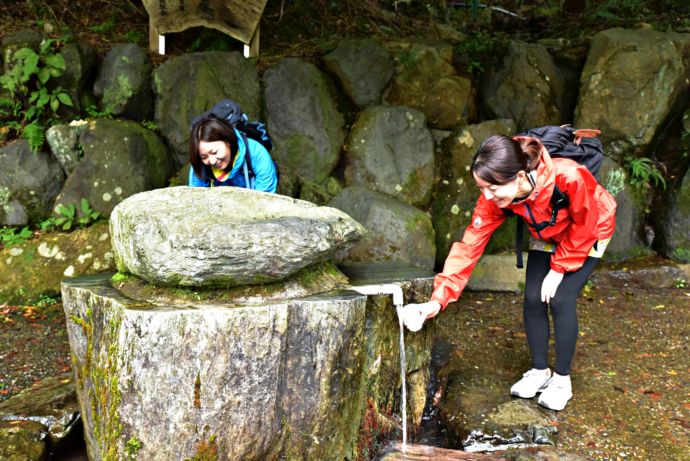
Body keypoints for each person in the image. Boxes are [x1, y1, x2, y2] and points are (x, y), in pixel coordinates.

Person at [400, 132, 617, 411]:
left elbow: (585, 221)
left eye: (492, 188)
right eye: (481, 188)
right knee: (532, 298)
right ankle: (540, 372)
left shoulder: (569, 177)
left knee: (560, 298)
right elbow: (469, 246)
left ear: (519, 176)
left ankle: (562, 380)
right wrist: (436, 301)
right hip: (548, 229)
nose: (487, 196)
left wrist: (560, 268)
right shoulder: (496, 197)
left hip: (590, 229)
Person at [188, 117, 278, 193]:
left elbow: (265, 197)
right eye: (204, 157)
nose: (212, 161)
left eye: (215, 152)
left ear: (228, 141)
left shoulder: (256, 153)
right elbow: (197, 198)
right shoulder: (199, 164)